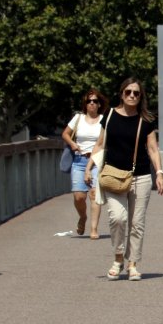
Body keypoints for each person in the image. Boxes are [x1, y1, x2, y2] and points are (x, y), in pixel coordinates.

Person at [86, 78, 163, 281]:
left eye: (136, 93)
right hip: (113, 176)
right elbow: (100, 144)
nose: (132, 96)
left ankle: (133, 264)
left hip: (140, 177)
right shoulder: (110, 115)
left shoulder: (146, 120)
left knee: (137, 223)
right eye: (128, 92)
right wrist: (89, 169)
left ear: (141, 97)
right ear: (121, 94)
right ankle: (118, 257)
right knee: (117, 218)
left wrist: (159, 173)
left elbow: (153, 149)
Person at [62, 89, 108, 238]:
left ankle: (94, 229)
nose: (92, 104)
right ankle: (82, 216)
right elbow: (65, 134)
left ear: (99, 104)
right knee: (79, 197)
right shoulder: (78, 118)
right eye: (89, 101)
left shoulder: (104, 120)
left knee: (94, 194)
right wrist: (72, 144)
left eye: (95, 101)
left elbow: (103, 142)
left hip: (96, 161)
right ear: (85, 104)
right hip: (79, 160)